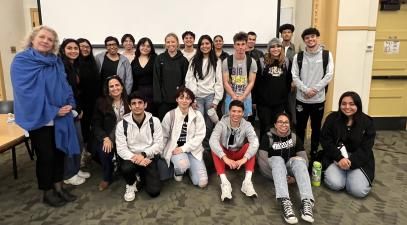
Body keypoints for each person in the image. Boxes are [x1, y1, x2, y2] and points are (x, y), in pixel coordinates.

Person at [11, 25, 78, 207]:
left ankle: (59, 187)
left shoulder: (56, 61)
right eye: (42, 37)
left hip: (61, 116)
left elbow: (64, 84)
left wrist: (70, 103)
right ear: (32, 39)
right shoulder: (21, 61)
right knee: (46, 156)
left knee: (59, 153)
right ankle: (46, 192)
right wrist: (53, 110)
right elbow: (25, 92)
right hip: (40, 118)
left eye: (50, 39)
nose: (46, 41)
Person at [259, 112, 314, 224]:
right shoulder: (267, 137)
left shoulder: (294, 137)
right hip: (274, 169)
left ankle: (307, 202)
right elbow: (262, 161)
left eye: (286, 122)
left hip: (289, 167)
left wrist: (294, 178)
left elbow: (304, 159)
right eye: (280, 122)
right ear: (275, 124)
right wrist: (279, 177)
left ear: (289, 124)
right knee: (277, 159)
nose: (283, 124)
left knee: (299, 161)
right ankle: (285, 201)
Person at [321, 91, 376, 198]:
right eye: (343, 103)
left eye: (352, 104)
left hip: (358, 159)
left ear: (358, 105)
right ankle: (344, 177)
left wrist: (351, 163)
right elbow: (326, 141)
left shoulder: (367, 122)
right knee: (335, 184)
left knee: (358, 191)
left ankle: (350, 178)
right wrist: (340, 159)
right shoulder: (332, 118)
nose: (347, 107)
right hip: (336, 157)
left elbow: (366, 148)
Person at [291, 27, 334, 161]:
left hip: (318, 100)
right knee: (300, 128)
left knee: (316, 128)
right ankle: (299, 151)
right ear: (304, 41)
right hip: (302, 99)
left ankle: (314, 152)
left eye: (313, 36)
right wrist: (305, 90)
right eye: (307, 38)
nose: (310, 39)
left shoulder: (327, 55)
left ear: (317, 37)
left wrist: (314, 89)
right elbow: (294, 76)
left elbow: (329, 75)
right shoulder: (299, 56)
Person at [115, 92, 163, 201]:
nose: (137, 106)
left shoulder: (154, 121)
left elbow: (159, 145)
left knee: (154, 192)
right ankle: (131, 184)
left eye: (140, 103)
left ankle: (141, 175)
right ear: (129, 106)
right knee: (127, 168)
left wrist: (144, 154)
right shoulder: (121, 125)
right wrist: (137, 158)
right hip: (131, 158)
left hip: (148, 157)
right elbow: (121, 149)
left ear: (145, 105)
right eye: (134, 103)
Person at [209, 100, 259, 201]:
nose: (236, 114)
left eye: (239, 111)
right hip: (225, 157)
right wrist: (224, 157)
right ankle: (225, 183)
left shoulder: (247, 125)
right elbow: (212, 140)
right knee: (215, 146)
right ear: (229, 112)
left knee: (251, 146)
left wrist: (244, 159)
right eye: (234, 111)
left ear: (243, 113)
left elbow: (255, 142)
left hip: (239, 157)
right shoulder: (221, 124)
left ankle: (247, 182)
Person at [58, 39, 91, 186]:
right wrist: (74, 109)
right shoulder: (61, 66)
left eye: (75, 48)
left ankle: (75, 169)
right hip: (67, 111)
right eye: (69, 48)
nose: (73, 51)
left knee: (78, 141)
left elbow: (77, 91)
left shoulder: (74, 66)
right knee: (70, 143)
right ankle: (68, 174)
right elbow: (63, 92)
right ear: (63, 50)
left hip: (75, 109)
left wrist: (80, 108)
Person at [161, 87, 208, 187]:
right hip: (176, 149)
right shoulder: (170, 115)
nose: (184, 100)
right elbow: (164, 136)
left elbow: (200, 136)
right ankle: (179, 170)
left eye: (187, 98)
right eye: (181, 97)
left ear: (191, 100)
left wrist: (184, 148)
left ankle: (190, 169)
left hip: (193, 150)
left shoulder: (197, 115)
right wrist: (161, 151)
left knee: (202, 183)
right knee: (182, 166)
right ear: (177, 99)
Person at [185, 35, 223, 152]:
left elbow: (219, 81)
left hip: (210, 96)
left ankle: (207, 149)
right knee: (198, 123)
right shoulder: (193, 60)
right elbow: (189, 80)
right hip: (197, 97)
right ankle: (198, 147)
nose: (205, 46)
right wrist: (193, 99)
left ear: (211, 45)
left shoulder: (216, 60)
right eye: (202, 44)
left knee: (209, 124)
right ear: (199, 46)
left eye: (207, 44)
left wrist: (216, 100)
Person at [92, 76, 130, 191]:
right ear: (107, 90)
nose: (115, 88)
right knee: (105, 150)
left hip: (127, 136)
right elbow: (96, 124)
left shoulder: (130, 101)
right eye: (111, 86)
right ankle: (107, 177)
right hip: (109, 136)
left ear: (122, 87)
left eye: (117, 85)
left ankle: (124, 168)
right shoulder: (101, 103)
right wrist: (105, 138)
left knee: (126, 167)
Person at [253, 38, 291, 142]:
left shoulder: (286, 61)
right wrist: (255, 101)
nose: (275, 49)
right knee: (265, 128)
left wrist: (284, 99)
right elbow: (256, 83)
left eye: (278, 46)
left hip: (279, 103)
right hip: (264, 103)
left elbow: (288, 82)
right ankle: (263, 150)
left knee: (277, 128)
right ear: (269, 49)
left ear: (281, 48)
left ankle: (275, 150)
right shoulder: (261, 61)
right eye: (272, 47)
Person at [153, 33, 189, 120]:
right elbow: (156, 79)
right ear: (165, 44)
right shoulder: (159, 58)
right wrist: (158, 99)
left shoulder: (183, 60)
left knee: (177, 125)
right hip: (163, 101)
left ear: (177, 43)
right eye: (168, 42)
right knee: (164, 125)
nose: (170, 44)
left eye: (173, 42)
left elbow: (186, 80)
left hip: (178, 100)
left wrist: (181, 97)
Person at [223, 32, 257, 118]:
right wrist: (234, 96)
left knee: (244, 123)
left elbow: (251, 82)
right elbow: (225, 82)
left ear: (246, 45)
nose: (240, 47)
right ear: (234, 46)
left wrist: (243, 96)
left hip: (245, 97)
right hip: (230, 96)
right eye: (238, 44)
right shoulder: (226, 61)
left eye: (243, 44)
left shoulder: (251, 61)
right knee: (229, 121)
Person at [77, 38, 101, 158]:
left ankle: (88, 151)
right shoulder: (74, 64)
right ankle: (80, 156)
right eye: (82, 46)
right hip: (80, 104)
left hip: (93, 102)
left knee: (91, 128)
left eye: (87, 47)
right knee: (81, 130)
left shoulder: (92, 62)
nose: (85, 49)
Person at [131, 37, 157, 114]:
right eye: (143, 45)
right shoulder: (134, 62)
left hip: (153, 93)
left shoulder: (156, 59)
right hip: (139, 93)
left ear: (151, 48)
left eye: (148, 46)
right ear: (139, 46)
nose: (145, 48)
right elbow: (133, 80)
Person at [278, 24, 297, 126]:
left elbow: (298, 67)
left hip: (291, 83)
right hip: (278, 82)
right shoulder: (276, 48)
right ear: (281, 35)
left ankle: (290, 130)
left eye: (289, 32)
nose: (286, 34)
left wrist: (294, 82)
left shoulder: (296, 49)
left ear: (292, 34)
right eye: (284, 32)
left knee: (291, 107)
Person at [246, 31, 264, 124]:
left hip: (256, 87)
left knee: (252, 113)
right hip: (243, 86)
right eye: (250, 39)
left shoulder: (260, 54)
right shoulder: (240, 52)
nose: (251, 41)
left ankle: (250, 133)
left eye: (254, 39)